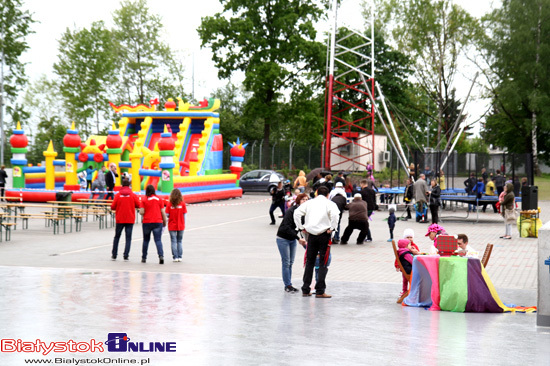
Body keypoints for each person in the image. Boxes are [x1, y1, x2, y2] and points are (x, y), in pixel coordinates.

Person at [294, 186, 340, 298]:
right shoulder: (330, 204)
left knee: (309, 262)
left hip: (311, 235)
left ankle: (305, 289)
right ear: (328, 195)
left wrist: (300, 227)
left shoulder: (309, 203)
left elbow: (296, 213)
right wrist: (333, 228)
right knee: (323, 262)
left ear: (316, 193)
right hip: (324, 234)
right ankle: (320, 290)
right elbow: (335, 215)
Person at [276, 193, 308, 293]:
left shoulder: (305, 212)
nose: (305, 201)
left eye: (307, 199)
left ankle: (289, 284)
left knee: (291, 262)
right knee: (286, 262)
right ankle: (287, 285)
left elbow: (301, 227)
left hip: (292, 238)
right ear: (298, 201)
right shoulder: (292, 211)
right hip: (283, 238)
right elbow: (287, 227)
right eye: (303, 200)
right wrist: (298, 238)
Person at [110, 178, 140, 261]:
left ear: (122, 185)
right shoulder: (133, 195)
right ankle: (126, 255)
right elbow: (138, 205)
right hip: (130, 219)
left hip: (120, 219)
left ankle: (114, 254)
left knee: (117, 237)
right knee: (128, 238)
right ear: (129, 185)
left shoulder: (118, 195)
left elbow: (113, 206)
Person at [140, 184, 167, 264]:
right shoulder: (159, 199)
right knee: (158, 240)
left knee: (146, 240)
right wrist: (164, 222)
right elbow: (163, 212)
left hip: (147, 222)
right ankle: (161, 256)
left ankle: (144, 257)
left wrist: (144, 213)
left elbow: (142, 211)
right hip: (157, 222)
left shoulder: (144, 199)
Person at [165, 188, 187, 262]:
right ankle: (180, 256)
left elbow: (167, 214)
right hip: (181, 225)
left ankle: (175, 257)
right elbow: (185, 215)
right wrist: (184, 224)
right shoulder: (182, 204)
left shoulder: (169, 204)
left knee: (173, 241)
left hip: (172, 225)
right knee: (179, 241)